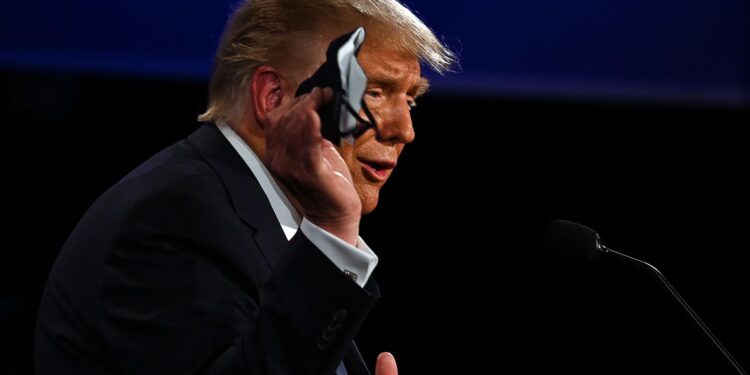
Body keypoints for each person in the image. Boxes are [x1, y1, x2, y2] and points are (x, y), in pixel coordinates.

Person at [34, 0, 455, 373]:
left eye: (411, 99)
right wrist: (332, 227)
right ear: (273, 97)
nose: (405, 130)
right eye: (376, 92)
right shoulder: (171, 218)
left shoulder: (243, 216)